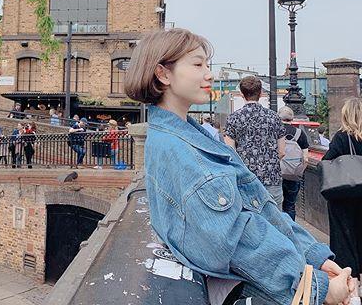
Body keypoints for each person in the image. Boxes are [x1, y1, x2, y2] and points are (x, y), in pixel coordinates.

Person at [124, 27, 353, 305]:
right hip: (273, 186)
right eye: (198, 65)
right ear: (163, 74)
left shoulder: (187, 136)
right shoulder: (181, 152)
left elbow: (257, 212)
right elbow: (239, 240)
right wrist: (317, 287)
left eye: (207, 65)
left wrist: (313, 257)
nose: (209, 74)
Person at [223, 76, 287, 209]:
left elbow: (230, 153)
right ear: (261, 93)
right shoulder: (274, 117)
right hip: (271, 178)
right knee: (275, 219)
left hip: (245, 180)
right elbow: (281, 152)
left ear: (242, 94)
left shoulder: (233, 118)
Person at [323, 98, 362, 292]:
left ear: (346, 115)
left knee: (344, 241)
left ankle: (352, 289)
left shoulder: (341, 137)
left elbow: (326, 161)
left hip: (343, 197)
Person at [278, 106, 310, 221]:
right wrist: (299, 172)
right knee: (290, 205)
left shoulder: (275, 131)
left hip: (277, 174)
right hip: (293, 175)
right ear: (292, 118)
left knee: (276, 205)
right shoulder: (300, 134)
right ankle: (291, 229)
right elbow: (306, 158)